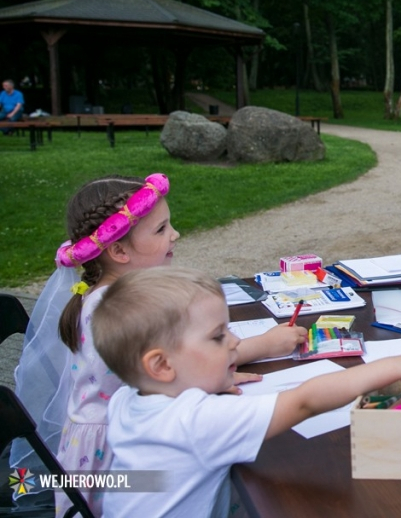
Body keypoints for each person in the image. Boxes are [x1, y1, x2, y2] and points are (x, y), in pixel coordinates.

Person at [13, 174, 306, 516]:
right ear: (119, 250)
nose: (175, 234)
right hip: (118, 459)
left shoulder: (115, 295)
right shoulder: (118, 308)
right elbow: (168, 368)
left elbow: (168, 364)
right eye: (161, 229)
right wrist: (265, 345)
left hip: (118, 435)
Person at [93, 266, 401, 518]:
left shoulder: (129, 398)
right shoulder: (196, 422)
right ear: (161, 366)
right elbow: (304, 401)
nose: (233, 341)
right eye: (218, 336)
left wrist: (210, 380)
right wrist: (393, 366)